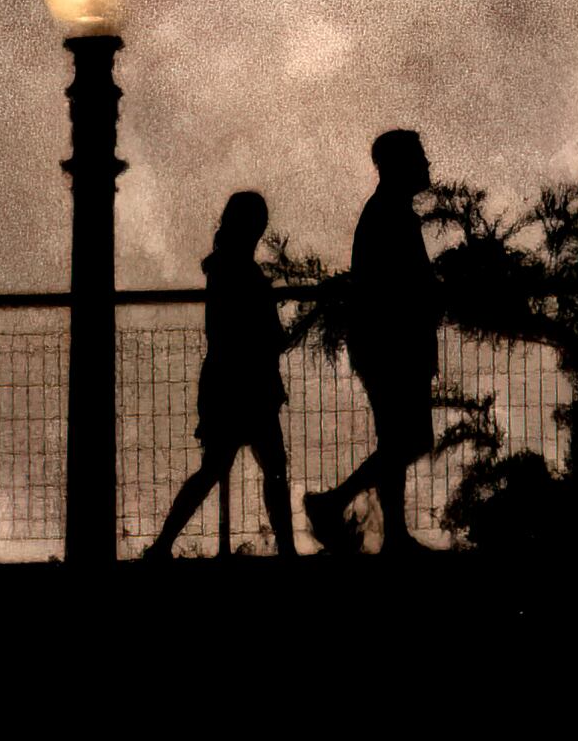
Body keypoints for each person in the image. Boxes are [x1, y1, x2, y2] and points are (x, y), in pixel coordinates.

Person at [303, 129, 444, 555]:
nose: (426, 165)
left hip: (385, 344)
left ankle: (393, 534)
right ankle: (333, 502)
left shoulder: (387, 211)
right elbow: (404, 287)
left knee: (397, 441)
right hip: (394, 347)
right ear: (400, 164)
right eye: (419, 158)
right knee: (410, 441)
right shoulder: (390, 214)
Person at [145, 190, 296, 560]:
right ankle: (287, 548)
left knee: (215, 468)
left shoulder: (223, 267)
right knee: (270, 468)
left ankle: (163, 544)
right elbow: (252, 330)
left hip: (228, 381)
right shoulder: (240, 270)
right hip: (248, 382)